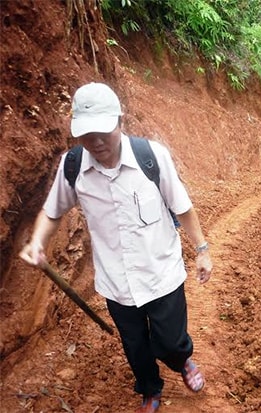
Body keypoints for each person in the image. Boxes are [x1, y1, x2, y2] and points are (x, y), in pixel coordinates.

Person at [19, 82, 213, 413]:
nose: (95, 142)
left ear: (119, 122)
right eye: (86, 134)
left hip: (161, 275)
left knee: (170, 342)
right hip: (116, 283)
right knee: (136, 347)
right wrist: (38, 242)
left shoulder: (151, 157)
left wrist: (202, 249)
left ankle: (182, 361)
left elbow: (182, 206)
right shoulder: (73, 166)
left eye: (102, 132)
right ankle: (150, 390)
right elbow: (51, 212)